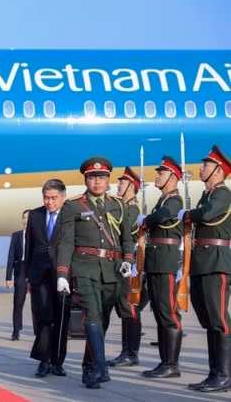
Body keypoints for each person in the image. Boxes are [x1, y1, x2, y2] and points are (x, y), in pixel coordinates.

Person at [56, 157, 134, 389]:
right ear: (86, 180)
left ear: (108, 179)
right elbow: (66, 242)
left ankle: (89, 367)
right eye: (92, 178)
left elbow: (126, 238)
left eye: (102, 177)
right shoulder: (73, 206)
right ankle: (101, 366)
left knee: (103, 320)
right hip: (85, 267)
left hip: (112, 269)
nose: (97, 182)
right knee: (92, 314)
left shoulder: (117, 204)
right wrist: (62, 273)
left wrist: (128, 259)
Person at [181, 145, 231, 392]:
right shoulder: (207, 194)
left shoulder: (221, 194)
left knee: (219, 319)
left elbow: (208, 215)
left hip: (216, 262)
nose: (201, 169)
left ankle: (224, 374)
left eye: (206, 166)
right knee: (208, 319)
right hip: (202, 261)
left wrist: (190, 213)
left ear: (218, 170)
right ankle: (214, 373)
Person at [138, 156, 184, 379]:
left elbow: (163, 216)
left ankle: (172, 364)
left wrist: (146, 220)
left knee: (168, 313)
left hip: (165, 261)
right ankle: (164, 361)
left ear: (173, 177)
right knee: (159, 313)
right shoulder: (163, 200)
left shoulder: (174, 201)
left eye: (162, 173)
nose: (157, 176)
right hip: (155, 261)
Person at [25, 179, 70, 378]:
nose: (49, 202)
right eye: (46, 198)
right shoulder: (35, 215)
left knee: (61, 319)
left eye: (53, 198)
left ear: (63, 196)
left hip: (62, 274)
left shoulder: (71, 215)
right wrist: (27, 276)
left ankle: (57, 362)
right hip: (39, 274)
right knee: (45, 316)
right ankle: (43, 360)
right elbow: (29, 246)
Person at [107, 167, 145, 367]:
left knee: (129, 308)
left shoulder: (131, 209)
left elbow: (121, 229)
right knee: (124, 309)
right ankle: (126, 351)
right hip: (121, 263)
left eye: (122, 183)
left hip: (128, 264)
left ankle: (131, 352)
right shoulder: (124, 207)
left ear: (131, 186)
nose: (118, 185)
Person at [6, 210, 30, 341]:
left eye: (28, 218)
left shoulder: (38, 235)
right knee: (18, 301)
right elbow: (11, 257)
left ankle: (39, 331)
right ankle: (16, 330)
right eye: (24, 218)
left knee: (38, 303)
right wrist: (8, 277)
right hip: (20, 269)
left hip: (34, 269)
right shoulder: (16, 235)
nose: (26, 220)